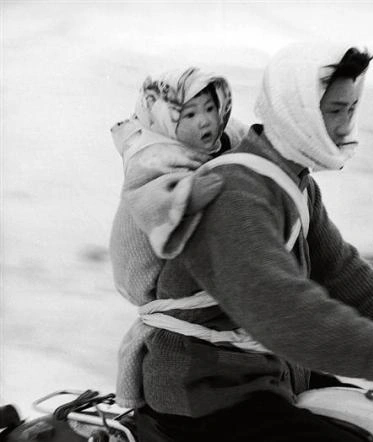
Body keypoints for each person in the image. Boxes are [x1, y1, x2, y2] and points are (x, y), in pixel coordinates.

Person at [123, 43, 373, 442]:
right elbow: (288, 315)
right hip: (206, 394)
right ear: (297, 111)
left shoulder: (292, 183)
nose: (344, 127)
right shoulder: (234, 195)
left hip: (267, 375)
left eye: (350, 110)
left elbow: (338, 269)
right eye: (333, 111)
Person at [108, 66, 247, 408]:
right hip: (147, 275)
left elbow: (250, 143)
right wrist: (185, 197)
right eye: (189, 114)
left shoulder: (220, 141)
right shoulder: (152, 155)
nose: (205, 122)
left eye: (210, 109)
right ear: (165, 118)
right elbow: (146, 196)